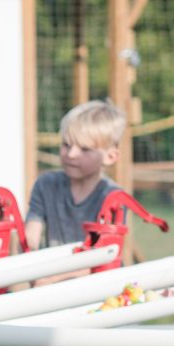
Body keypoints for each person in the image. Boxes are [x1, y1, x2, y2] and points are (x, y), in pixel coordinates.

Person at [24, 100, 125, 252]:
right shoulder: (46, 185)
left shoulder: (113, 197)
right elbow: (29, 240)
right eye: (66, 145)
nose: (71, 154)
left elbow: (104, 257)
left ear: (110, 157)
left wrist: (50, 277)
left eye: (85, 149)